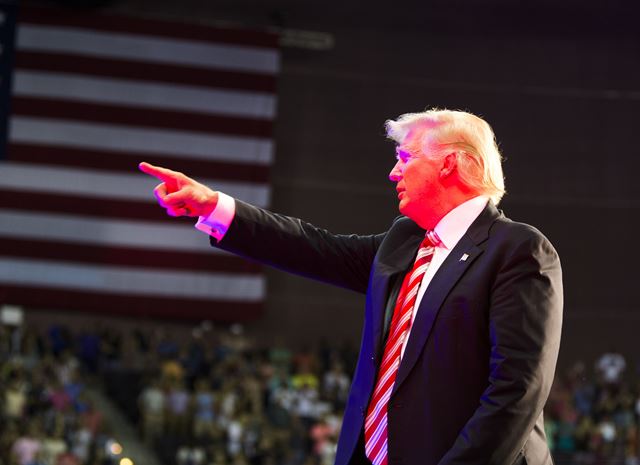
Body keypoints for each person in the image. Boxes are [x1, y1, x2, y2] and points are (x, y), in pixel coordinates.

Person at [140, 108, 563, 465]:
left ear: (449, 163)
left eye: (405, 156)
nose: (393, 170)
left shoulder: (517, 249)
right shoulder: (406, 241)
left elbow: (516, 390)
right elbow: (315, 249)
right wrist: (215, 207)